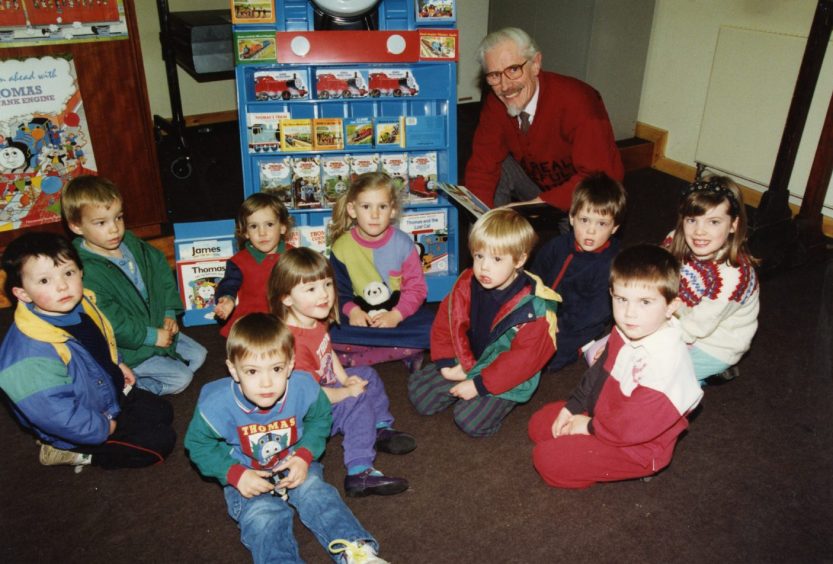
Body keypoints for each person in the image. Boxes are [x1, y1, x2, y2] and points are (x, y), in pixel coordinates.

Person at [184, 313, 388, 564]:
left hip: (294, 459)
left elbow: (321, 418)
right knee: (262, 515)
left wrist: (304, 456)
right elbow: (197, 444)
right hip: (246, 471)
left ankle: (358, 553)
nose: (266, 382)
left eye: (277, 368)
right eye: (252, 371)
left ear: (290, 365)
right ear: (233, 371)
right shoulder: (216, 404)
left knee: (316, 493)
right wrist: (234, 474)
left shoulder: (304, 387)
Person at [528, 244, 703, 488]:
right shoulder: (629, 328)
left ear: (671, 307)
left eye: (645, 302)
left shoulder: (666, 364)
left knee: (546, 460)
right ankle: (582, 447)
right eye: (621, 299)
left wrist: (588, 427)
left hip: (637, 446)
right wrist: (573, 407)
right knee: (540, 425)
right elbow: (599, 372)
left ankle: (617, 465)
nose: (629, 314)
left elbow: (633, 426)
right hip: (608, 416)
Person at [0, 232, 176, 469]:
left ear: (81, 272)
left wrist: (118, 363)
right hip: (77, 422)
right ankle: (69, 452)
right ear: (22, 293)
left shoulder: (82, 302)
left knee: (162, 411)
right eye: (44, 281)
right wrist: (101, 428)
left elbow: (101, 340)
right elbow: (56, 415)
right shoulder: (28, 356)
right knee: (158, 444)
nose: (62, 286)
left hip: (104, 394)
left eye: (69, 273)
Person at [270, 247, 415, 497]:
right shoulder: (292, 344)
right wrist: (347, 392)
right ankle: (360, 472)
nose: (324, 295)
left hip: (324, 389)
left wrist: (346, 378)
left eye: (327, 284)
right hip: (308, 415)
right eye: (311, 289)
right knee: (356, 401)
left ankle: (379, 428)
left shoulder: (313, 319)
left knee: (366, 374)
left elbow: (328, 353)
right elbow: (312, 397)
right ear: (286, 298)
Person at [408, 208, 559, 437]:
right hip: (470, 358)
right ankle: (466, 377)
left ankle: (493, 398)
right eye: (479, 256)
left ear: (519, 260)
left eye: (497, 259)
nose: (484, 267)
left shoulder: (534, 309)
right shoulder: (467, 282)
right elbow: (446, 319)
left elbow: (520, 363)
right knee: (419, 393)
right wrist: (446, 361)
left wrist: (478, 385)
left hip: (505, 375)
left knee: (469, 420)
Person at [63, 175, 206, 395]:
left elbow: (160, 272)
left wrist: (168, 312)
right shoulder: (86, 271)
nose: (114, 229)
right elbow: (111, 322)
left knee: (200, 355)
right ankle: (128, 387)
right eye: (101, 223)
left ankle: (159, 363)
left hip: (155, 323)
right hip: (129, 347)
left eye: (118, 218)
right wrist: (151, 336)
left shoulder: (130, 242)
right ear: (76, 226)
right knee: (182, 378)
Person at [464, 27, 623, 210]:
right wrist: (481, 217)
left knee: (579, 234)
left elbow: (598, 179)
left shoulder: (579, 102)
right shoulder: (496, 102)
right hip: (536, 184)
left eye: (514, 69)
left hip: (588, 192)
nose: (505, 86)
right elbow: (482, 167)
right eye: (494, 75)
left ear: (535, 64)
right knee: (499, 168)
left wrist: (537, 205)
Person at [328, 172, 433, 369]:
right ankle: (399, 350)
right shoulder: (341, 248)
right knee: (326, 329)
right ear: (352, 209)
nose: (374, 215)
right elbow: (336, 291)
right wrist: (353, 311)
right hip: (360, 316)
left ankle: (357, 354)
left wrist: (397, 315)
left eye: (382, 207)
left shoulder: (403, 244)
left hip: (396, 314)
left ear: (392, 210)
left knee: (433, 328)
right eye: (366, 206)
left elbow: (417, 290)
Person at [665, 176, 760, 385]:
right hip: (678, 319)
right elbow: (652, 280)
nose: (699, 231)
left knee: (663, 380)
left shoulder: (733, 276)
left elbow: (695, 328)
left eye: (714, 222)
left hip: (714, 343)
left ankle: (707, 376)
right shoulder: (674, 240)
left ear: (734, 225)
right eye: (692, 220)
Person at [530, 172, 626, 371]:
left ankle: (584, 347)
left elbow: (594, 313)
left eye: (601, 224)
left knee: (543, 361)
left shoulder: (611, 264)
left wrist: (556, 324)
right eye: (584, 220)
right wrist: (537, 307)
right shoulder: (558, 245)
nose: (591, 231)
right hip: (544, 309)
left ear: (615, 227)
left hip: (577, 324)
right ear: (572, 218)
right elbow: (535, 276)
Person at [214, 192, 293, 337]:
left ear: (282, 227)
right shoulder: (239, 261)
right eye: (254, 226)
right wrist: (228, 299)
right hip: (251, 324)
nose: (262, 233)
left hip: (285, 320)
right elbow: (228, 284)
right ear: (245, 232)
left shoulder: (293, 256)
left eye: (269, 224)